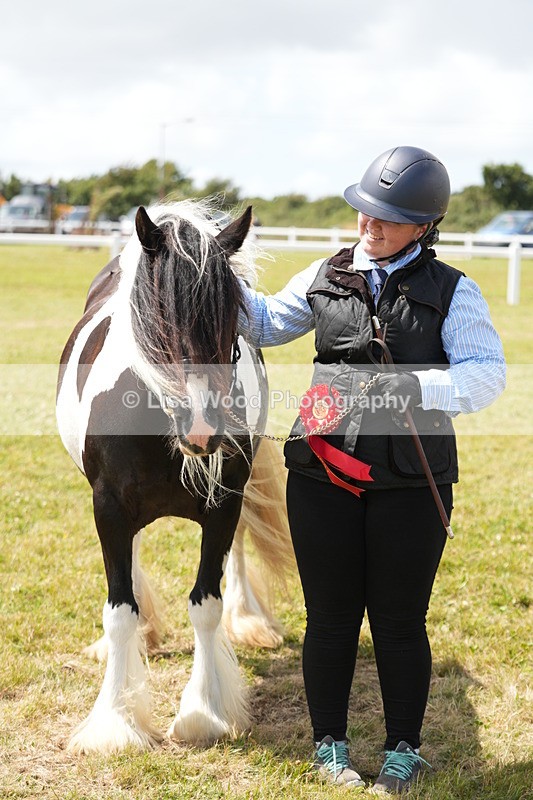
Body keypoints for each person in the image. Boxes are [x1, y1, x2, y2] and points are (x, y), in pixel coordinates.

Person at [237, 146, 506, 794]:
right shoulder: (324, 274)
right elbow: (268, 322)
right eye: (365, 213)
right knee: (329, 617)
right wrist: (209, 280)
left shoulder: (453, 292)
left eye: (387, 219)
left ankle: (401, 749)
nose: (370, 226)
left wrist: (417, 387)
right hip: (319, 473)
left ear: (423, 226)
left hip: (411, 481)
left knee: (397, 620)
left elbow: (486, 375)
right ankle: (329, 745)